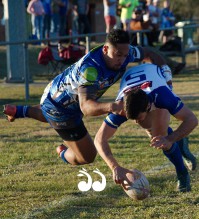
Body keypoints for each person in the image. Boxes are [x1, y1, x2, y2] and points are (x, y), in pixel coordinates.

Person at [3, 29, 171, 167]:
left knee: (48, 112)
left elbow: (150, 53)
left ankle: (19, 110)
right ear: (105, 49)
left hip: (59, 94)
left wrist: (165, 72)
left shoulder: (126, 52)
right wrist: (113, 107)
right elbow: (86, 107)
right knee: (87, 156)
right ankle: (63, 152)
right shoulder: (90, 70)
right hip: (61, 109)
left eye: (125, 55)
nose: (122, 60)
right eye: (118, 55)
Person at [94, 63, 198, 192]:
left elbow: (192, 120)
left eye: (138, 117)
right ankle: (180, 142)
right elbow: (99, 139)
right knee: (153, 131)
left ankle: (182, 173)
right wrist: (114, 167)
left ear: (149, 106)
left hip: (155, 76)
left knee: (161, 138)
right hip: (136, 78)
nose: (136, 122)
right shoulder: (120, 107)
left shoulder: (162, 97)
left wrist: (170, 139)